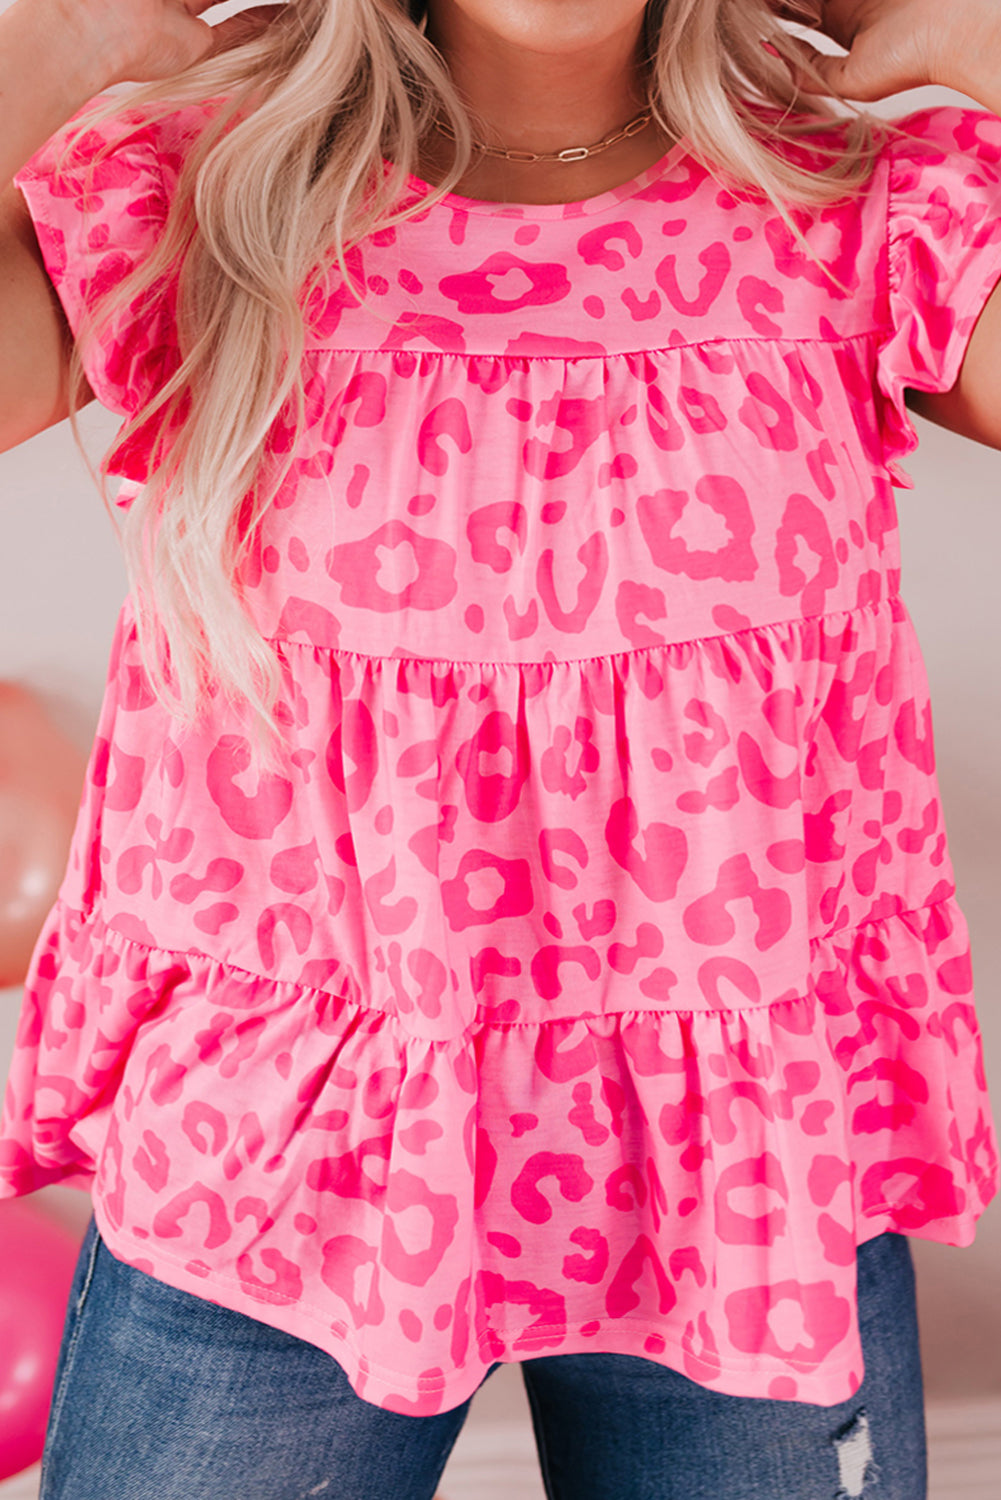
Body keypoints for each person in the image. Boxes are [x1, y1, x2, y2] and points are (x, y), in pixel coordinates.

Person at [0, 0, 998, 1495]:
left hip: (740, 1177)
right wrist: (47, 41)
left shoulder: (853, 204)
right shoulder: (206, 192)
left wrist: (982, 33)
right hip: (285, 1159)